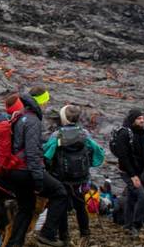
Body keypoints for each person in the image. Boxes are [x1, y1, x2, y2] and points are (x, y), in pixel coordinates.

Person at [0, 94, 68, 247]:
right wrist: (38, 179)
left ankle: (14, 243)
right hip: (26, 170)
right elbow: (31, 153)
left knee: (26, 207)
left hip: (14, 170)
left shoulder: (16, 118)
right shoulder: (32, 120)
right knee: (60, 192)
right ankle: (47, 234)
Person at [43, 105, 105, 245]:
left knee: (62, 207)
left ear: (63, 118)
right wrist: (89, 166)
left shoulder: (56, 135)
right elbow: (96, 151)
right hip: (81, 178)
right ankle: (85, 234)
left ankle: (64, 237)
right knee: (81, 206)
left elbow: (47, 154)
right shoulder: (84, 134)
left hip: (61, 178)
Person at [110, 108, 144, 238]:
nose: (142, 120)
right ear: (132, 120)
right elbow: (123, 157)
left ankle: (128, 225)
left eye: (143, 118)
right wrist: (133, 176)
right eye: (139, 118)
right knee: (143, 197)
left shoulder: (139, 132)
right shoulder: (124, 134)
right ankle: (136, 225)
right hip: (127, 172)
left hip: (138, 170)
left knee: (131, 198)